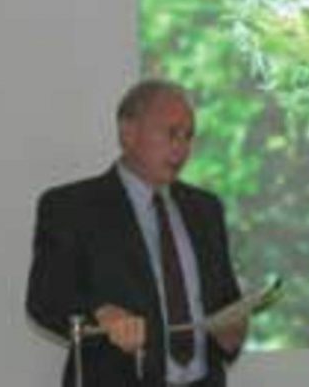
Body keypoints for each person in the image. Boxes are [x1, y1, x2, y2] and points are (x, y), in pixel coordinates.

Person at [26, 79, 247, 387]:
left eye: (188, 136)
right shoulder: (72, 208)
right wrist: (100, 314)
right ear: (127, 133)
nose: (181, 148)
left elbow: (226, 301)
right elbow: (45, 300)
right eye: (171, 134)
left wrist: (232, 331)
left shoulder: (206, 209)